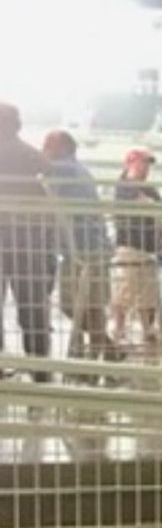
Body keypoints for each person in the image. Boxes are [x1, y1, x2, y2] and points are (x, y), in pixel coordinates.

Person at [41, 129, 122, 363]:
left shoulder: (65, 169)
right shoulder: (77, 169)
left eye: (48, 144)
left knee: (75, 304)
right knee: (88, 305)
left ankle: (103, 350)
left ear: (63, 148)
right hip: (85, 247)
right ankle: (106, 349)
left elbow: (39, 174)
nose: (43, 149)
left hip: (85, 248)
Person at [0, 101, 56, 380]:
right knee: (31, 303)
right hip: (25, 239)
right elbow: (48, 167)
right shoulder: (24, 152)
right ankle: (39, 363)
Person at [110, 146, 162, 347]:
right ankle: (119, 329)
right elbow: (146, 205)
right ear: (131, 163)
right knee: (124, 290)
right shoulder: (124, 184)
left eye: (147, 164)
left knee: (148, 294)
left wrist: (150, 205)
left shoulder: (147, 186)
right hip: (129, 245)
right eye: (142, 163)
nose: (146, 168)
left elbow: (157, 205)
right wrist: (150, 204)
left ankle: (147, 329)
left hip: (148, 247)